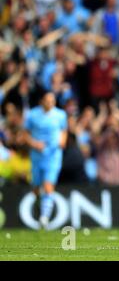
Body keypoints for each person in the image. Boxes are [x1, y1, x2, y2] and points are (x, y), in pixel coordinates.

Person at [23, 91, 67, 229]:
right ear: (41, 101)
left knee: (48, 185)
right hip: (37, 155)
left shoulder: (60, 115)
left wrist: (62, 141)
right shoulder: (32, 115)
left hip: (53, 156)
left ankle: (44, 218)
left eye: (52, 100)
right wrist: (34, 144)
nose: (50, 103)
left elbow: (64, 131)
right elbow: (25, 135)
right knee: (36, 186)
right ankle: (38, 201)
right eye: (48, 100)